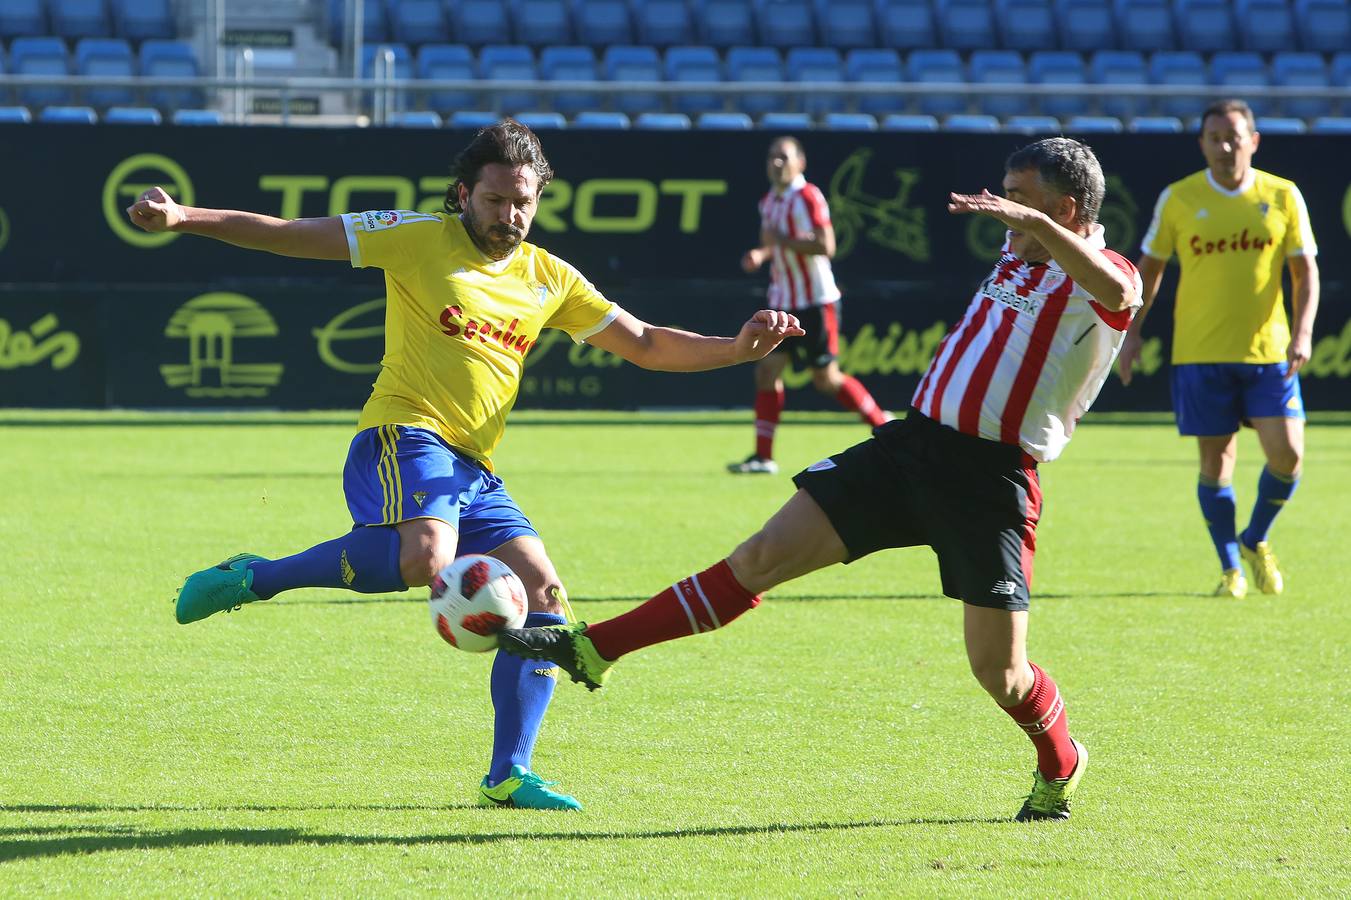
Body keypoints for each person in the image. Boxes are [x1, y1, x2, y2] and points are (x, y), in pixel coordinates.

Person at [125, 119, 802, 811]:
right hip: (402, 434)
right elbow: (288, 232)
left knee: (545, 598)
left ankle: (507, 775)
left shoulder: (549, 277)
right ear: (462, 194)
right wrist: (184, 216)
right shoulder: (416, 236)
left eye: (523, 202)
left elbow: (648, 344)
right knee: (427, 554)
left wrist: (738, 349)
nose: (510, 215)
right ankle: (258, 577)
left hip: (472, 469)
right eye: (496, 200)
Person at [501, 138, 1143, 822]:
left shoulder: (1098, 273)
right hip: (910, 449)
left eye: (1017, 197)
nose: (1003, 210)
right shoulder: (1021, 250)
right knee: (758, 558)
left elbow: (1120, 291)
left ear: (1065, 209)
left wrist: (1034, 225)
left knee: (1002, 674)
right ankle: (594, 648)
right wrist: (1029, 227)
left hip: (990, 484)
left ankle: (1061, 762)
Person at [1118, 99, 1320, 599]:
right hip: (1200, 353)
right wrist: (1131, 332)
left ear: (1253, 139)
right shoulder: (1180, 198)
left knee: (1289, 455)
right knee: (1216, 464)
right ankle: (1231, 566)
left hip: (1269, 352)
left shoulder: (1283, 195)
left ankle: (1255, 539)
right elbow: (1150, 268)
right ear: (1202, 144)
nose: (1225, 146)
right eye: (1215, 137)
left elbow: (1305, 270)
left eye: (1234, 136)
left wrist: (1303, 332)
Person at [728, 136, 891, 475]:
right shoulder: (768, 201)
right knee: (766, 370)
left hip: (815, 301)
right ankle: (763, 457)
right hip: (781, 301)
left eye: (783, 158)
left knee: (825, 379)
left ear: (800, 163)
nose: (776, 163)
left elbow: (825, 245)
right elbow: (771, 245)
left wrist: (781, 243)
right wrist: (761, 254)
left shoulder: (808, 196)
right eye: (772, 157)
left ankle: (883, 425)